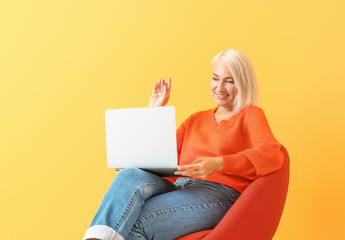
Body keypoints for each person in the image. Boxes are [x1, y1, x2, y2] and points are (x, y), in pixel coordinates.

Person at [83, 49, 284, 240]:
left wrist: (219, 164)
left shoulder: (250, 115)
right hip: (180, 188)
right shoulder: (195, 120)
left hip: (218, 193)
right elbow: (156, 157)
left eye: (229, 81)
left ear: (242, 83)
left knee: (135, 222)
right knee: (128, 175)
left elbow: (272, 155)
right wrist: (154, 111)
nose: (219, 88)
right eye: (215, 78)